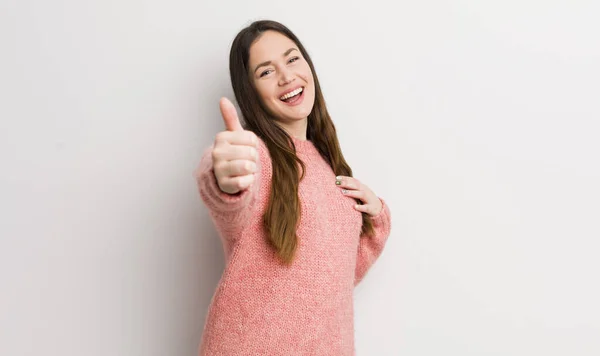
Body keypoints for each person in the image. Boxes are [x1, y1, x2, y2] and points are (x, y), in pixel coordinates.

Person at [194, 19, 392, 355]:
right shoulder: (258, 155)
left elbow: (335, 279)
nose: (287, 76)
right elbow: (228, 191)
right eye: (266, 72)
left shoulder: (328, 165)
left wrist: (376, 220)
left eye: (292, 59)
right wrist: (224, 175)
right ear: (250, 91)